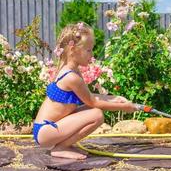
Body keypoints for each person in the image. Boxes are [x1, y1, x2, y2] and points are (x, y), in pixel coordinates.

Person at [33, 22, 137, 160]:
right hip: (46, 131)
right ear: (73, 49)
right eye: (88, 50)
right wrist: (124, 107)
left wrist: (115, 98)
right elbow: (93, 102)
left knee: (92, 110)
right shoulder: (71, 77)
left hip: (46, 129)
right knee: (97, 115)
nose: (92, 54)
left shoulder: (70, 70)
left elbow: (89, 96)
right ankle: (61, 147)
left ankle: (63, 146)